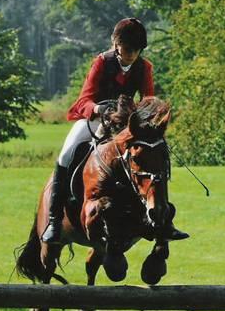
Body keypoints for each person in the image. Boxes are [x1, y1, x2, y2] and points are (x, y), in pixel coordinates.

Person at [42, 17, 189, 244]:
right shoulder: (102, 62)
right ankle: (53, 220)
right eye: (128, 49)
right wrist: (99, 108)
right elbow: (84, 101)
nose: (132, 54)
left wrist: (146, 117)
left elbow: (147, 100)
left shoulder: (144, 67)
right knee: (66, 154)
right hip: (96, 118)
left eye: (136, 50)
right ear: (116, 44)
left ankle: (163, 219)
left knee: (154, 153)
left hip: (126, 123)